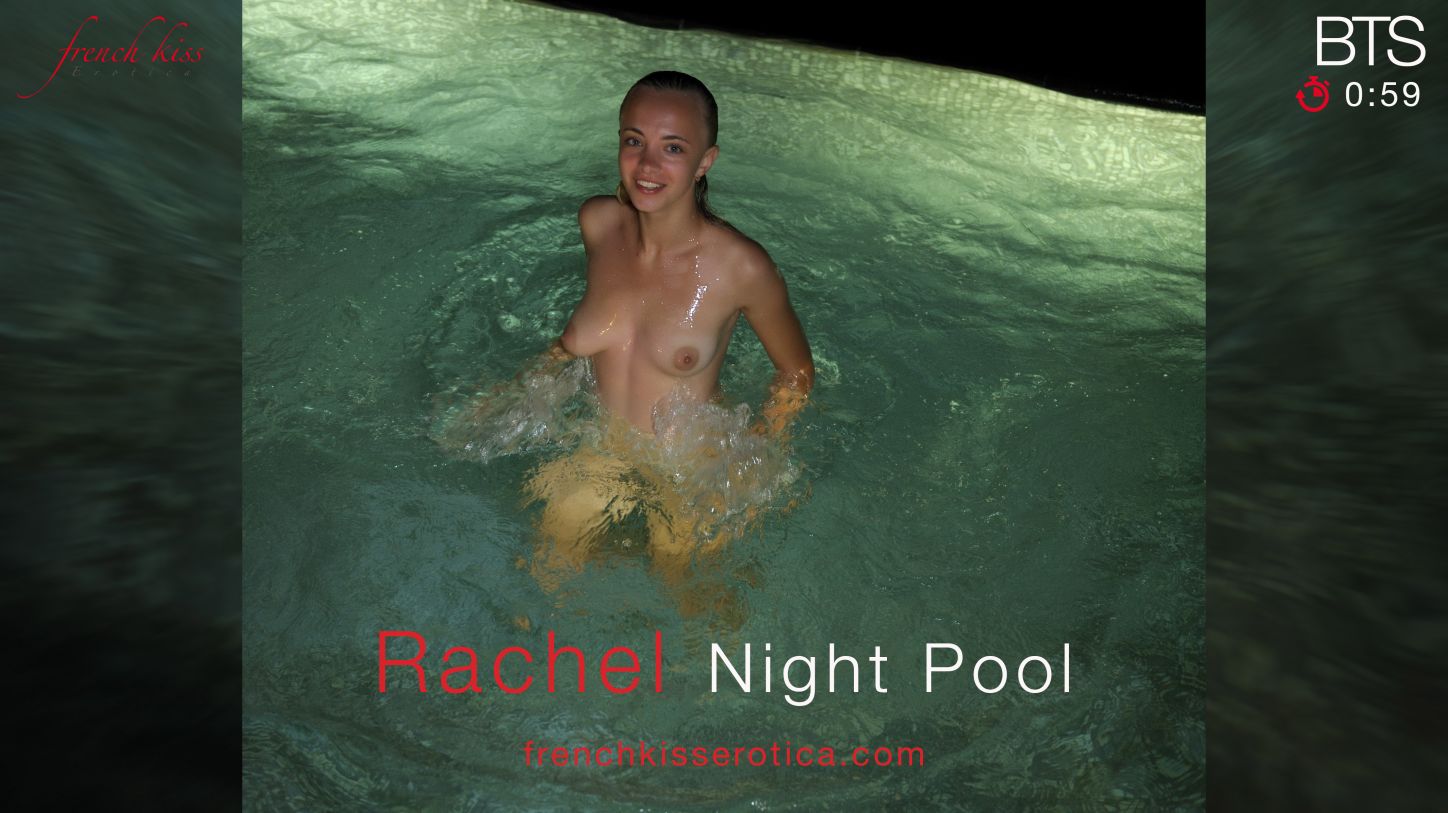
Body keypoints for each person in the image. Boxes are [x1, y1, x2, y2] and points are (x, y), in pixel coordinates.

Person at [519, 71, 814, 605]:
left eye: (673, 148)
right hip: (599, 448)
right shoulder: (600, 224)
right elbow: (584, 341)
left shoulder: (740, 267)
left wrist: (756, 464)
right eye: (634, 141)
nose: (648, 165)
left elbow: (796, 373)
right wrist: (522, 388)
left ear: (705, 161)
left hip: (689, 468)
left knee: (692, 604)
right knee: (539, 587)